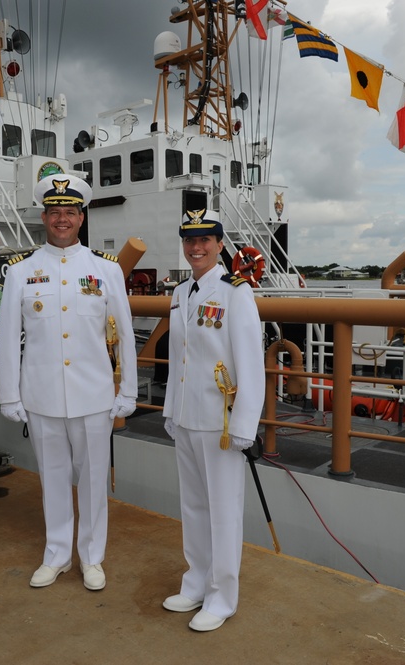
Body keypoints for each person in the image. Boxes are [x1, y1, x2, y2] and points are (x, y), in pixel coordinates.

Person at [0, 174, 138, 591]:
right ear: (44, 216)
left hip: (94, 395)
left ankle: (92, 558)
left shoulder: (105, 270)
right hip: (40, 396)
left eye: (70, 212)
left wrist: (127, 390)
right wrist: (9, 394)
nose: (62, 219)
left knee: (94, 481)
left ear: (81, 217)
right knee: (52, 480)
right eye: (55, 212)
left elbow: (125, 334)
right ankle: (57, 554)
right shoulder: (22, 271)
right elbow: (7, 337)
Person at [161, 208, 265, 632]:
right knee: (194, 506)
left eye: (205, 240)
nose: (197, 247)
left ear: (221, 244)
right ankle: (196, 583)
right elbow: (177, 360)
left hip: (221, 424)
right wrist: (170, 410)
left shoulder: (235, 293)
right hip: (187, 417)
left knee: (223, 512)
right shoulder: (180, 292)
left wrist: (244, 426)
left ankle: (222, 597)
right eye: (190, 240)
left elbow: (251, 365)